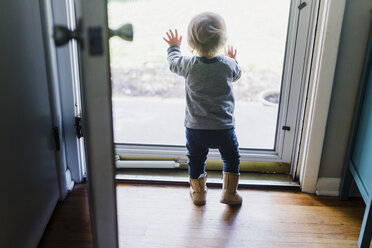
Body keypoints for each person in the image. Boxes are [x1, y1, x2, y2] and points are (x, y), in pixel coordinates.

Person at [163, 12, 242, 206]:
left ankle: (199, 194)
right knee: (231, 158)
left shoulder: (188, 65)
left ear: (191, 43)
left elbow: (173, 63)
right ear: (223, 41)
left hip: (196, 128)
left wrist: (173, 47)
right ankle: (229, 193)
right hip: (223, 128)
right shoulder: (228, 65)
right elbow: (237, 74)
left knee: (196, 160)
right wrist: (233, 59)